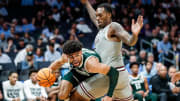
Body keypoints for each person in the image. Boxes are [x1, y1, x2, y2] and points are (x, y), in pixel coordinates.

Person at [80, 0, 143, 100]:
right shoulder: (102, 29)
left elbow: (130, 41)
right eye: (97, 16)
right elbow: (93, 17)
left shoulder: (113, 27)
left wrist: (134, 35)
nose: (97, 18)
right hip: (120, 75)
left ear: (109, 15)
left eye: (100, 15)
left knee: (76, 95)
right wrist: (86, 3)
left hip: (111, 74)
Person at [47, 40, 119, 101]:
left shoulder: (91, 64)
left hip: (91, 76)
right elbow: (57, 63)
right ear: (67, 56)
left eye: (77, 55)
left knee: (78, 98)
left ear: (81, 52)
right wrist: (47, 73)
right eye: (71, 57)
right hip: (76, 73)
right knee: (62, 96)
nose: (75, 59)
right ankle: (68, 89)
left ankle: (72, 89)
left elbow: (114, 72)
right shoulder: (65, 57)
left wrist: (109, 95)